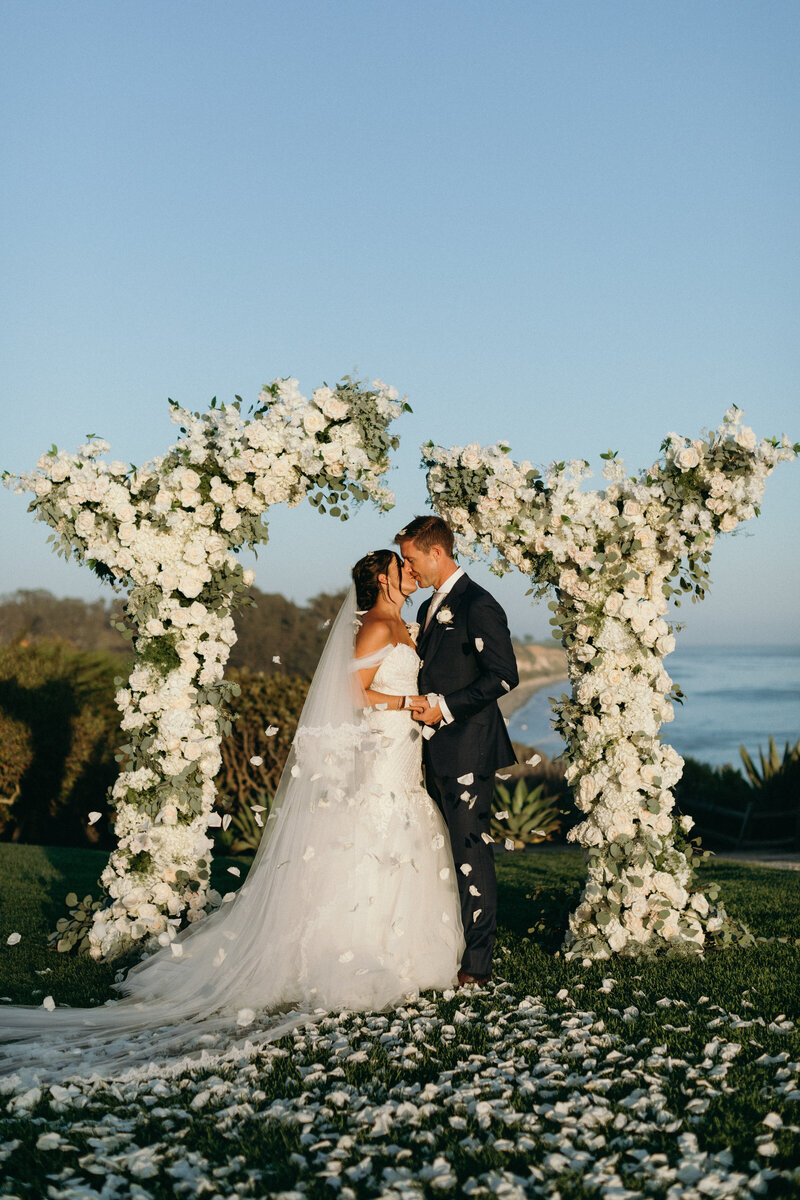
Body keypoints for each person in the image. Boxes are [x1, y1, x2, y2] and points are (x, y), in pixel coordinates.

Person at [0, 551, 464, 1085]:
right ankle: (356, 948)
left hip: (403, 749)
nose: (411, 571)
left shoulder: (405, 624)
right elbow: (352, 693)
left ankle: (398, 944)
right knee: (374, 833)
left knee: (399, 834)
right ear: (383, 578)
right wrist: (407, 703)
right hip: (383, 746)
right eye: (402, 566)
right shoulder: (377, 626)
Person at [395, 516, 518, 986]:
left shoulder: (478, 604)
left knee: (471, 852)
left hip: (468, 748)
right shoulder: (432, 605)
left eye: (411, 559)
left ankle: (478, 964)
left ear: (437, 553)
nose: (409, 568)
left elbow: (503, 676)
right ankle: (445, 943)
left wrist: (444, 708)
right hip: (432, 751)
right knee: (443, 852)